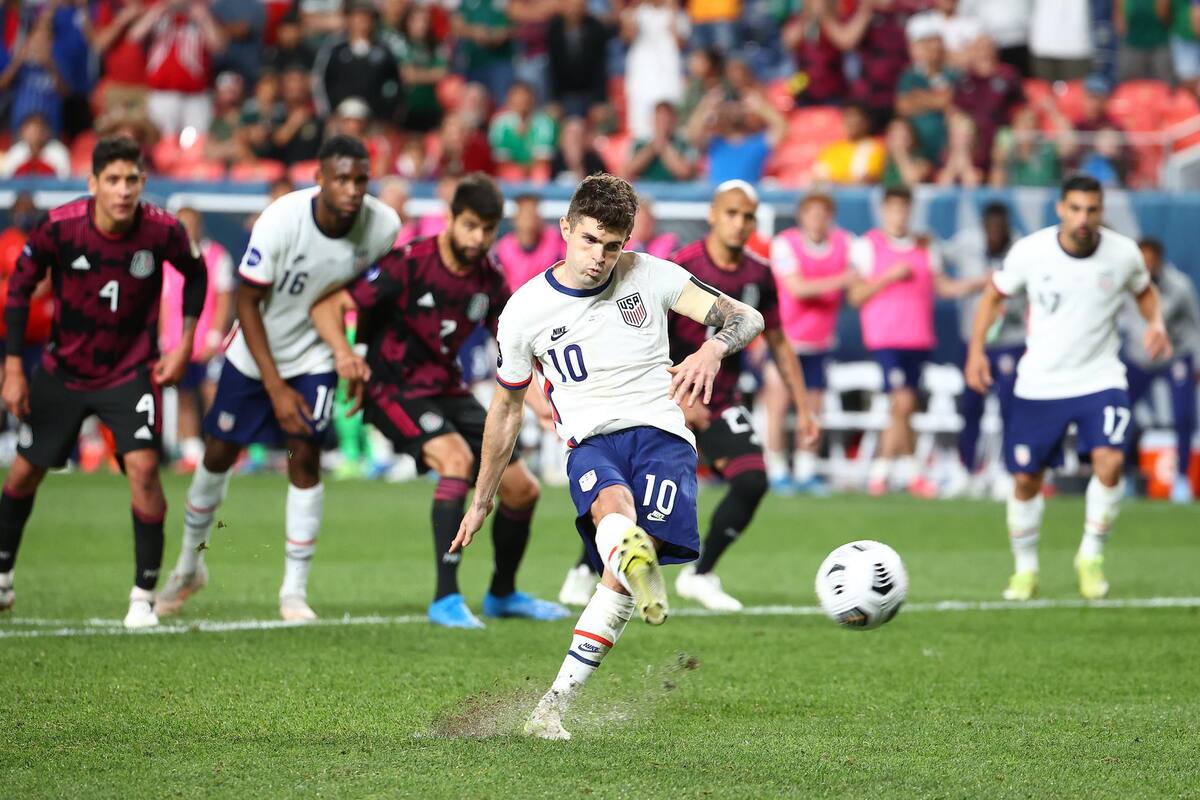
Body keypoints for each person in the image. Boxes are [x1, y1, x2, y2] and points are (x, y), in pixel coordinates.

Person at [448, 173, 766, 740]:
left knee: (621, 573)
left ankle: (551, 706)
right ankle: (625, 557)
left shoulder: (653, 275)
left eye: (613, 245)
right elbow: (506, 410)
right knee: (613, 511)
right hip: (591, 440)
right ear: (565, 229)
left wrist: (713, 349)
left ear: (626, 243)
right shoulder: (524, 311)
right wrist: (482, 498)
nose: (599, 257)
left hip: (663, 436)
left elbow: (747, 317)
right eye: (590, 240)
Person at [156, 136, 400, 622]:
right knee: (217, 456)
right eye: (342, 179)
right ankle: (188, 567)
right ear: (320, 179)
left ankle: (293, 592)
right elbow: (247, 303)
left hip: (313, 356)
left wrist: (354, 353)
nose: (353, 189)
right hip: (254, 354)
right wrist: (275, 389)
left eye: (361, 180)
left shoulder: (383, 227)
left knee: (304, 455)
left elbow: (367, 298)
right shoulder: (281, 221)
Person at [310, 174, 566, 629]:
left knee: (522, 489)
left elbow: (513, 351)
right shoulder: (409, 263)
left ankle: (502, 594)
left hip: (447, 389)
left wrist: (544, 405)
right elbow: (328, 306)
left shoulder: (489, 278)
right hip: (393, 389)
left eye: (487, 229)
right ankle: (445, 598)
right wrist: (346, 356)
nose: (478, 238)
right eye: (470, 226)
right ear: (450, 218)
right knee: (455, 460)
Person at [0, 136, 208, 627]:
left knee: (144, 470)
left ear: (143, 181)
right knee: (24, 474)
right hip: (64, 371)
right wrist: (13, 369)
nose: (123, 190)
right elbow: (19, 289)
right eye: (112, 180)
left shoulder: (163, 230)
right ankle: (2, 576)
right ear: (93, 183)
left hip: (131, 371)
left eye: (132, 179)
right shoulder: (60, 227)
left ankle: (143, 596)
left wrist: (184, 344)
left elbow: (196, 275)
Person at [966, 175, 1172, 602]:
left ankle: (1091, 556)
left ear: (1101, 211)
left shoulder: (1123, 254)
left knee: (1110, 462)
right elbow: (993, 296)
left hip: (1101, 378)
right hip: (1041, 382)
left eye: (1091, 210)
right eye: (1075, 209)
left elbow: (1144, 291)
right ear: (1061, 209)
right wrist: (976, 352)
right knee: (1026, 479)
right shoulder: (1030, 252)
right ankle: (1025, 569)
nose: (1083, 219)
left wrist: (1156, 323)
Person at [668, 181, 819, 610]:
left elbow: (779, 342)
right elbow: (646, 335)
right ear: (713, 215)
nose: (739, 223)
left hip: (719, 400)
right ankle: (586, 569)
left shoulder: (759, 274)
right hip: (668, 394)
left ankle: (700, 574)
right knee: (638, 488)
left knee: (752, 478)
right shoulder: (681, 268)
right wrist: (675, 394)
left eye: (748, 216)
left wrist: (804, 408)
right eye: (731, 213)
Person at [847, 186, 983, 497]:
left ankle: (885, 472)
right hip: (885, 338)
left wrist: (980, 284)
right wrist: (887, 277)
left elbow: (943, 287)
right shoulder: (868, 246)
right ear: (884, 211)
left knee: (902, 407)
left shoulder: (925, 246)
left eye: (904, 209)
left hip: (918, 338)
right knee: (903, 401)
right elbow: (855, 296)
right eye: (893, 209)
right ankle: (907, 472)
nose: (899, 215)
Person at [765, 191, 852, 493]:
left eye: (823, 214)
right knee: (778, 405)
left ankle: (805, 470)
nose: (817, 220)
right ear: (802, 216)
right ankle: (777, 470)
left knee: (813, 409)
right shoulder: (785, 243)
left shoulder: (843, 244)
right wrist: (843, 279)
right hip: (786, 340)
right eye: (812, 213)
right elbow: (798, 288)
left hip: (820, 341)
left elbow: (865, 267)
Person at [943, 202, 1023, 496]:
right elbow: (939, 257)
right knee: (970, 407)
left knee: (1010, 408)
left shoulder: (1020, 250)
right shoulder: (967, 243)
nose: (995, 233)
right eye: (990, 227)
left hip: (1010, 340)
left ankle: (1007, 470)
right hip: (974, 340)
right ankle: (966, 468)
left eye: (1000, 228)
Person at [1120, 239, 1200, 503]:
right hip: (1139, 358)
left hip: (1174, 355)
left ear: (1160, 261)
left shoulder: (1180, 286)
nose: (1147, 266)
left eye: (1151, 260)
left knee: (1184, 415)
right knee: (1121, 413)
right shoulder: (1125, 285)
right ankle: (1125, 475)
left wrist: (1197, 362)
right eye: (1142, 260)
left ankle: (1181, 478)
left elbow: (1194, 325)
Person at [161, 208, 235, 472]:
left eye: (190, 224)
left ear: (199, 225)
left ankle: (220, 449)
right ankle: (192, 451)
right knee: (183, 397)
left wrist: (214, 337)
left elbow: (224, 298)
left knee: (213, 395)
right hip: (177, 342)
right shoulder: (167, 259)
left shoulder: (216, 256)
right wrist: (164, 339)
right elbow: (164, 302)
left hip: (205, 341)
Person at [495, 194, 564, 292]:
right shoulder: (502, 249)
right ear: (514, 219)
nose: (529, 220)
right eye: (524, 215)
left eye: (532, 214)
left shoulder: (555, 241)